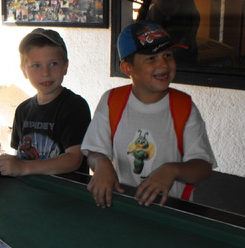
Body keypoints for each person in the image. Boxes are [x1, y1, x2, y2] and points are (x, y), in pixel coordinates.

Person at [81, 21, 215, 208]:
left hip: (171, 211)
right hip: (123, 206)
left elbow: (203, 167)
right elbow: (94, 152)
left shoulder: (184, 106)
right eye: (151, 58)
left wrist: (172, 170)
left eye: (167, 55)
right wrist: (102, 163)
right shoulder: (112, 101)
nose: (163, 64)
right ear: (128, 68)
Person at [0, 28, 91, 176]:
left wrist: (23, 168)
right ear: (24, 71)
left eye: (53, 64)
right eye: (36, 65)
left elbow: (73, 159)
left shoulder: (75, 106)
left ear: (65, 67)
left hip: (66, 188)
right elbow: (19, 153)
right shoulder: (22, 110)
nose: (46, 73)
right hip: (31, 186)